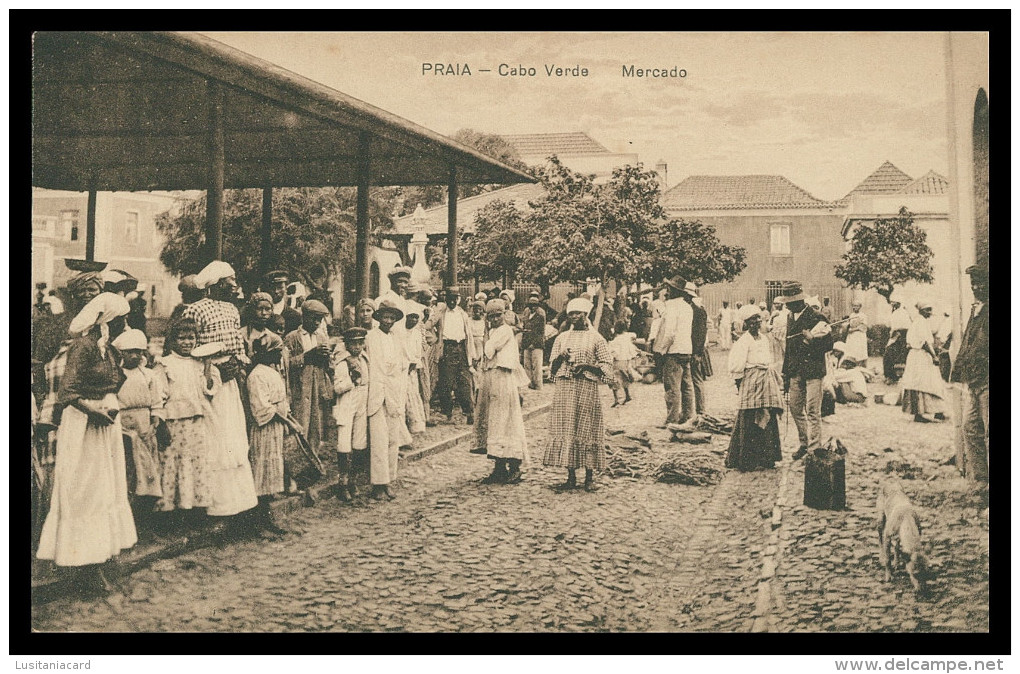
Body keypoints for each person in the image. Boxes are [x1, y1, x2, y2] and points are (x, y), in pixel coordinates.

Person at [37, 292, 136, 596]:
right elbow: (68, 392)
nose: (125, 324)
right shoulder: (83, 347)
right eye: (121, 319)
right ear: (107, 320)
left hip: (104, 424)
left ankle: (99, 557)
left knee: (106, 490)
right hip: (84, 426)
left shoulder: (105, 349)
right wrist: (94, 409)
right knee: (85, 493)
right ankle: (83, 568)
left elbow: (114, 381)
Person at [180, 261, 258, 531]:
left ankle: (240, 506)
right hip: (208, 381)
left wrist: (237, 366)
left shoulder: (232, 310)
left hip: (231, 381)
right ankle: (215, 509)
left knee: (234, 440)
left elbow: (238, 346)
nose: (235, 284)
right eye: (230, 280)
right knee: (215, 442)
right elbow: (186, 345)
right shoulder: (195, 309)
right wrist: (212, 370)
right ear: (215, 284)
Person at [544, 297, 615, 493]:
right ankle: (571, 475)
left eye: (578, 314)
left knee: (586, 428)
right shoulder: (561, 338)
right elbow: (552, 368)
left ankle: (589, 477)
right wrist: (561, 357)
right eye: (571, 314)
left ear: (586, 315)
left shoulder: (596, 338)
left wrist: (586, 366)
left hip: (586, 387)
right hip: (565, 388)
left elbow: (608, 368)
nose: (574, 317)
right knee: (568, 428)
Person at [151, 317, 214, 530]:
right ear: (173, 340)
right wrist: (160, 422)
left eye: (191, 338)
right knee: (172, 464)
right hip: (174, 421)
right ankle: (169, 514)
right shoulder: (165, 363)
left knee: (195, 463)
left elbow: (209, 389)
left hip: (196, 422)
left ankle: (193, 511)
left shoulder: (198, 363)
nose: (187, 343)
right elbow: (158, 394)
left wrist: (208, 365)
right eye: (182, 338)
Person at [191, 341, 259, 529]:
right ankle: (219, 510)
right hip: (212, 407)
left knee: (233, 449)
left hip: (229, 400)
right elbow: (208, 388)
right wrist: (208, 365)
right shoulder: (203, 368)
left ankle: (241, 508)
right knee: (217, 452)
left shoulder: (228, 365)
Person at [112, 328, 165, 526]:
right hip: (124, 425)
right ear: (121, 353)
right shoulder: (116, 375)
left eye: (138, 351)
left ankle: (145, 518)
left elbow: (157, 402)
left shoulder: (149, 375)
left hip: (145, 425)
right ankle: (128, 519)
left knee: (148, 470)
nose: (134, 356)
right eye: (129, 351)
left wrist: (156, 419)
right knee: (129, 471)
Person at [474, 299, 529, 485]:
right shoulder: (492, 331)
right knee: (494, 422)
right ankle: (499, 467)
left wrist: (486, 342)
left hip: (504, 378)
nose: (496, 319)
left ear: (505, 314)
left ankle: (514, 467)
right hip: (492, 378)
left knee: (507, 421)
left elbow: (489, 350)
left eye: (499, 315)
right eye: (491, 316)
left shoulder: (505, 331)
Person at [725, 305, 785, 472]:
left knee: (767, 414)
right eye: (752, 320)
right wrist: (740, 384)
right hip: (751, 379)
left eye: (758, 319)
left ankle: (767, 457)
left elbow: (768, 359)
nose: (756, 322)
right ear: (746, 323)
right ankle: (747, 459)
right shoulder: (743, 341)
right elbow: (737, 366)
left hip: (766, 379)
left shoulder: (764, 339)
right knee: (750, 416)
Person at [780, 281, 834, 461]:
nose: (788, 305)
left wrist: (812, 340)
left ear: (800, 301)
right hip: (796, 371)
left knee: (812, 410)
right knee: (795, 408)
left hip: (813, 371)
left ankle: (815, 447)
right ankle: (804, 443)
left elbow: (829, 344)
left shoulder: (816, 317)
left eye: (791, 302)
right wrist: (785, 372)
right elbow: (788, 346)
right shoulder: (789, 317)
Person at [245, 332, 290, 537]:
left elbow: (281, 401)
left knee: (271, 474)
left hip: (276, 429)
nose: (280, 355)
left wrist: (288, 418)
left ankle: (267, 518)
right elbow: (261, 408)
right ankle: (257, 522)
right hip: (265, 429)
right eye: (277, 351)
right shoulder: (256, 376)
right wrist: (283, 417)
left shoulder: (272, 372)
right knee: (261, 474)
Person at [365, 299, 407, 500]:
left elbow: (400, 368)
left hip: (393, 392)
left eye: (392, 317)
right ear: (379, 318)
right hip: (375, 392)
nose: (388, 321)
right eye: (385, 317)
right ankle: (378, 484)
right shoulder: (370, 337)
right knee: (379, 440)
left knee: (392, 440)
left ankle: (389, 480)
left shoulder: (397, 339)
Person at [950, 263, 989, 481]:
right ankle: (981, 479)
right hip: (974, 380)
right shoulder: (976, 310)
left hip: (986, 378)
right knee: (970, 428)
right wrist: (959, 370)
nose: (977, 287)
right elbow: (967, 342)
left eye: (981, 283)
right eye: (974, 284)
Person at [284, 299, 335, 460]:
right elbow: (286, 365)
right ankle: (298, 463)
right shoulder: (292, 337)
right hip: (300, 387)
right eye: (313, 318)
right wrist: (306, 357)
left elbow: (329, 366)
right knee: (301, 424)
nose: (316, 323)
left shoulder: (321, 336)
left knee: (316, 425)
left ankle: (313, 460)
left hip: (316, 387)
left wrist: (327, 358)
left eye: (319, 319)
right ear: (303, 316)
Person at [426, 288, 477, 424]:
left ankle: (469, 411)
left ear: (458, 299)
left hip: (461, 348)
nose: (452, 301)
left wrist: (471, 354)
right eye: (450, 298)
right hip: (447, 349)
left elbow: (469, 335)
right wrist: (435, 339)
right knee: (446, 382)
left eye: (455, 298)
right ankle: (447, 412)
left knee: (464, 381)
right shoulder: (441, 313)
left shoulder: (462, 314)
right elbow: (427, 326)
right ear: (446, 299)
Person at [653, 276, 696, 427]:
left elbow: (670, 333)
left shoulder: (671, 306)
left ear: (672, 290)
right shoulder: (687, 307)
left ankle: (672, 418)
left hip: (673, 350)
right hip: (686, 349)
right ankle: (688, 415)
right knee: (687, 385)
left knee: (672, 387)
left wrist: (662, 350)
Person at [332, 327, 369, 502]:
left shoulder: (365, 359)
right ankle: (343, 482)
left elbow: (368, 381)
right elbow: (337, 387)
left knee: (359, 442)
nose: (357, 347)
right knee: (344, 443)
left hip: (361, 402)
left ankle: (353, 480)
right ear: (347, 344)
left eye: (360, 343)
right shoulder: (342, 362)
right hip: (346, 402)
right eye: (354, 343)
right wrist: (350, 380)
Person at [900, 300, 945, 423]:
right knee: (923, 383)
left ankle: (938, 412)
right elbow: (924, 342)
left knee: (931, 382)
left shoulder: (920, 321)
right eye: (927, 310)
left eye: (930, 309)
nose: (930, 312)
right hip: (920, 356)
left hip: (918, 355)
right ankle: (919, 413)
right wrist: (934, 356)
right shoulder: (920, 322)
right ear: (921, 311)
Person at [403, 302, 428, 438]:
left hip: (411, 369)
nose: (413, 320)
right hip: (401, 368)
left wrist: (412, 364)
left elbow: (418, 353)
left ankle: (414, 426)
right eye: (410, 317)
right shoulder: (400, 332)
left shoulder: (417, 333)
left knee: (412, 395)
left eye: (415, 317)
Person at [687, 282, 711, 422]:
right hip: (688, 349)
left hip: (694, 350)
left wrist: (697, 353)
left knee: (696, 379)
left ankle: (701, 409)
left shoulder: (697, 310)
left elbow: (701, 333)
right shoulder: (691, 309)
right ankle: (691, 410)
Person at [608, 319, 639, 406]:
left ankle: (616, 399)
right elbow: (633, 336)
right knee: (625, 378)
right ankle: (627, 395)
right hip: (626, 361)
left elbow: (614, 352)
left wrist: (610, 358)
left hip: (618, 362)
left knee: (614, 380)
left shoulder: (615, 341)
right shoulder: (627, 337)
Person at [262, 270, 302, 334]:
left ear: (286, 288)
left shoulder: (295, 316)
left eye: (280, 287)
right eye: (272, 288)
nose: (276, 291)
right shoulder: (259, 314)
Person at [522, 291, 547, 391]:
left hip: (536, 343)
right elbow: (524, 326)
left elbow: (540, 331)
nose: (533, 307)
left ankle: (538, 385)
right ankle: (529, 383)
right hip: (527, 342)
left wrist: (534, 343)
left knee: (536, 365)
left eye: (535, 305)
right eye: (531, 305)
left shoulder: (540, 315)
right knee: (527, 364)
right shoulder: (526, 313)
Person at [884, 297, 912, 383]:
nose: (893, 304)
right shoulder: (894, 312)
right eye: (892, 303)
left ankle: (898, 376)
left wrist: (897, 335)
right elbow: (889, 324)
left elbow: (905, 326)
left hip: (901, 336)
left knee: (897, 355)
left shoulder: (903, 312)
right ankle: (890, 376)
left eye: (894, 303)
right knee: (888, 355)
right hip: (896, 335)